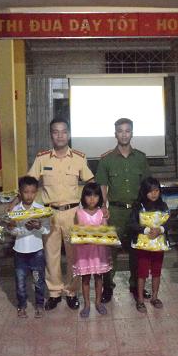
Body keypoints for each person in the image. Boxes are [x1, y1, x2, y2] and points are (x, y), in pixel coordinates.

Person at [26, 117, 94, 311]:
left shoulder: (79, 158)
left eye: (64, 131)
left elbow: (91, 182)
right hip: (50, 214)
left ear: (69, 134)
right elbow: (29, 184)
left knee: (74, 255)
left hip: (73, 213)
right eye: (56, 132)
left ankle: (72, 292)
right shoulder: (42, 158)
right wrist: (17, 204)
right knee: (51, 255)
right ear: (51, 135)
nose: (60, 135)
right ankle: (54, 292)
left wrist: (95, 207)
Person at [96, 118, 150, 302]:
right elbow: (102, 185)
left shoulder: (141, 158)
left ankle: (136, 285)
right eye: (120, 131)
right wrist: (103, 207)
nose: (124, 134)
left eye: (127, 131)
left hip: (136, 212)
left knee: (137, 250)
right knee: (110, 251)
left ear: (132, 133)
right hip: (115, 212)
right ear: (115, 134)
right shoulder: (107, 160)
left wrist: (147, 211)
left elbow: (147, 186)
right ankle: (108, 287)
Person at [7, 176, 49, 319]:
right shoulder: (15, 211)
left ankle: (39, 305)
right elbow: (12, 231)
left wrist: (39, 227)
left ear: (36, 192)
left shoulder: (41, 209)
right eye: (26, 192)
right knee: (20, 282)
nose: (29, 195)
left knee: (38, 281)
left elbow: (47, 230)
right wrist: (21, 228)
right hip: (20, 251)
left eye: (32, 192)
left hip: (37, 251)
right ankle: (22, 306)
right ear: (20, 192)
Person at [129, 177, 169, 313]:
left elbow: (168, 223)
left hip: (159, 246)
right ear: (144, 191)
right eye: (150, 191)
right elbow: (132, 224)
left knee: (157, 272)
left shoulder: (163, 206)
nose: (154, 194)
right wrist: (145, 230)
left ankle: (155, 297)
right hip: (143, 246)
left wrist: (160, 230)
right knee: (142, 273)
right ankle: (140, 300)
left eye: (157, 190)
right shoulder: (138, 206)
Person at [73, 183, 112, 318]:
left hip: (99, 251)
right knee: (85, 278)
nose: (92, 199)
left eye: (95, 196)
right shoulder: (79, 212)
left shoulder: (102, 212)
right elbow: (80, 230)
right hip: (85, 251)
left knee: (98, 277)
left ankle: (98, 302)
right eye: (88, 195)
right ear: (83, 197)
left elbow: (105, 230)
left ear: (100, 198)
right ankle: (87, 304)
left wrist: (105, 223)